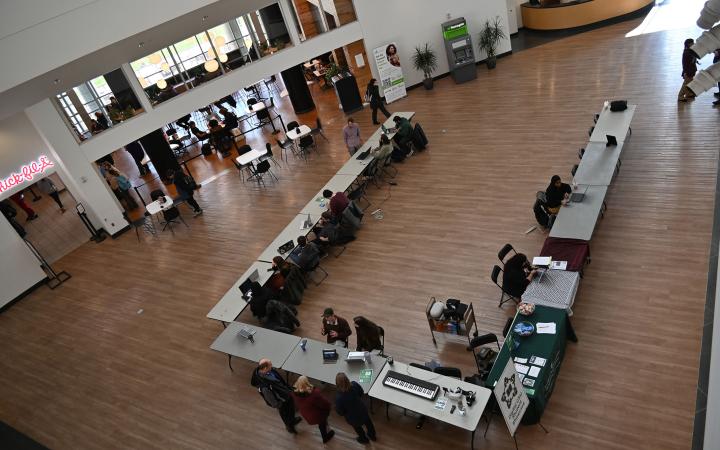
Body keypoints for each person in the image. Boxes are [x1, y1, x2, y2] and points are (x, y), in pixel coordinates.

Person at [250, 359, 302, 434]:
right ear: (265, 368)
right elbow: (271, 400)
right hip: (281, 401)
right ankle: (290, 426)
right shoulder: (264, 387)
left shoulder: (270, 371)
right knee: (285, 414)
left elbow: (279, 381)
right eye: (270, 365)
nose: (272, 366)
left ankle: (292, 420)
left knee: (291, 409)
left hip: (285, 394)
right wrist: (279, 404)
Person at [335, 372, 377, 443]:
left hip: (352, 417)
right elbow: (361, 392)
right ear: (347, 379)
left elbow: (340, 412)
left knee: (358, 428)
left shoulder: (339, 398)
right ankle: (372, 436)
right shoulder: (354, 385)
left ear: (337, 384)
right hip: (362, 410)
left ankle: (364, 439)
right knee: (368, 423)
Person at [291, 376, 335, 443]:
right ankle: (325, 437)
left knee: (322, 423)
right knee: (322, 424)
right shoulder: (314, 394)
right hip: (317, 415)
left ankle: (325, 428)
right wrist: (329, 407)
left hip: (307, 414)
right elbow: (325, 404)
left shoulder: (294, 393)